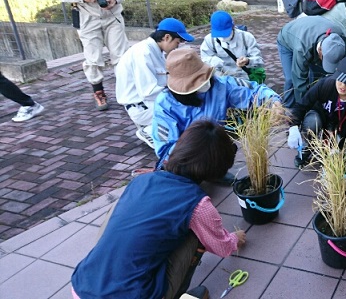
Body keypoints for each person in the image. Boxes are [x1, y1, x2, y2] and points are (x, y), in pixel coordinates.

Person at [70, 120, 246, 299]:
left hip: (82, 286)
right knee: (196, 236)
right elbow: (222, 248)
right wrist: (234, 240)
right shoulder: (198, 205)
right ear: (216, 170)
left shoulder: (140, 181)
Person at [153, 48, 281, 184]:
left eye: (204, 78)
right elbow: (165, 147)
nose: (205, 85)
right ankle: (191, 180)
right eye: (196, 84)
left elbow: (256, 90)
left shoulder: (221, 85)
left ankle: (215, 173)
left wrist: (274, 102)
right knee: (186, 180)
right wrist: (198, 154)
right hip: (187, 157)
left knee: (227, 147)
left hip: (214, 145)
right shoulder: (165, 103)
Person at [49, 0, 132, 111]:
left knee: (121, 56)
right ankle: (99, 91)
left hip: (112, 14)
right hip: (87, 17)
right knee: (93, 58)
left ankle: (125, 90)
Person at [115, 18, 194, 149]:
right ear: (167, 37)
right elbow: (148, 91)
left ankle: (156, 126)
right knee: (183, 111)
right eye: (177, 42)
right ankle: (149, 130)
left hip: (147, 102)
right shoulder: (143, 53)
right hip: (141, 106)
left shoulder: (155, 50)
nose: (177, 46)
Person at [287, 56, 346, 168]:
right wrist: (293, 126)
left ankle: (331, 150)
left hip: (338, 124)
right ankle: (307, 148)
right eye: (340, 80)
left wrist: (339, 143)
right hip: (318, 115)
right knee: (312, 123)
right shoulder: (325, 84)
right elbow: (302, 105)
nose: (342, 86)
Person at [277, 15, 346, 108]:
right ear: (320, 51)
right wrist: (302, 109)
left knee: (317, 76)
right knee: (291, 79)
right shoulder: (302, 49)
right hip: (287, 39)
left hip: (312, 32)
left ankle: (318, 103)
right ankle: (289, 110)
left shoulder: (341, 40)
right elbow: (299, 81)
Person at [199, 11, 264, 80]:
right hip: (221, 78)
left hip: (244, 78)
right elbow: (204, 60)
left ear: (233, 26)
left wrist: (248, 61)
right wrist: (214, 61)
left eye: (225, 33)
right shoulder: (209, 40)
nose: (223, 37)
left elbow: (259, 61)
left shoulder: (246, 37)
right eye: (219, 34)